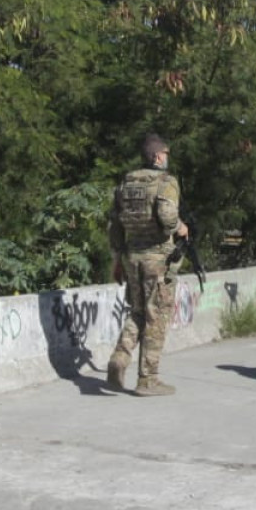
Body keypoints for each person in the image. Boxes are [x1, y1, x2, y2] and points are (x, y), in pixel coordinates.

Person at [106, 133, 189, 397]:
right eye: (165, 154)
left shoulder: (126, 183)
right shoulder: (166, 182)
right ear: (157, 156)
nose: (167, 158)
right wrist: (180, 227)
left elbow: (115, 225)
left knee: (138, 312)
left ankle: (119, 358)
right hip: (157, 260)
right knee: (156, 318)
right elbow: (166, 218)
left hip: (132, 257)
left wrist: (117, 259)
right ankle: (148, 380)